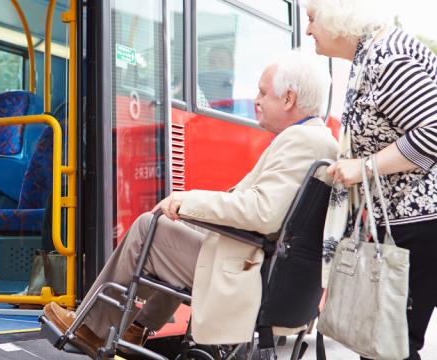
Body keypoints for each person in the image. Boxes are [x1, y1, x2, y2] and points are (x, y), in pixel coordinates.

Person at [43, 51, 338, 358]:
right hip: (272, 273)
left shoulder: (302, 141)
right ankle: (136, 327)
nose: (256, 100)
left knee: (149, 228)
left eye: (263, 93)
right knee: (175, 228)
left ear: (289, 99)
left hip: (253, 277)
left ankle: (92, 330)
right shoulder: (318, 140)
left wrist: (187, 200)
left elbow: (262, 213)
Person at [304, 1, 437, 359]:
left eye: (311, 19)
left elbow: (433, 132)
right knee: (383, 345)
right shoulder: (371, 57)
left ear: (336, 17)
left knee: (390, 347)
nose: (307, 30)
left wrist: (364, 166)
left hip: (419, 223)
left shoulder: (388, 57)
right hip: (406, 224)